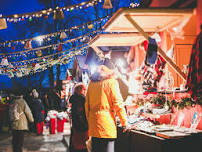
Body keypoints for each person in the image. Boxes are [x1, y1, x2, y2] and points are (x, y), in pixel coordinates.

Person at [85, 65, 128, 152]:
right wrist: (124, 122)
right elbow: (118, 103)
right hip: (106, 124)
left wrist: (90, 121)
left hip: (94, 125)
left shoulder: (91, 84)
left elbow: (86, 105)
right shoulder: (111, 82)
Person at [69, 83, 89, 152]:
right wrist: (86, 124)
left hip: (75, 125)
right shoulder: (81, 99)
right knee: (83, 145)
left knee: (76, 144)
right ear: (79, 90)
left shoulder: (74, 99)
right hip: (82, 126)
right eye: (84, 89)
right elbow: (81, 113)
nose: (85, 91)